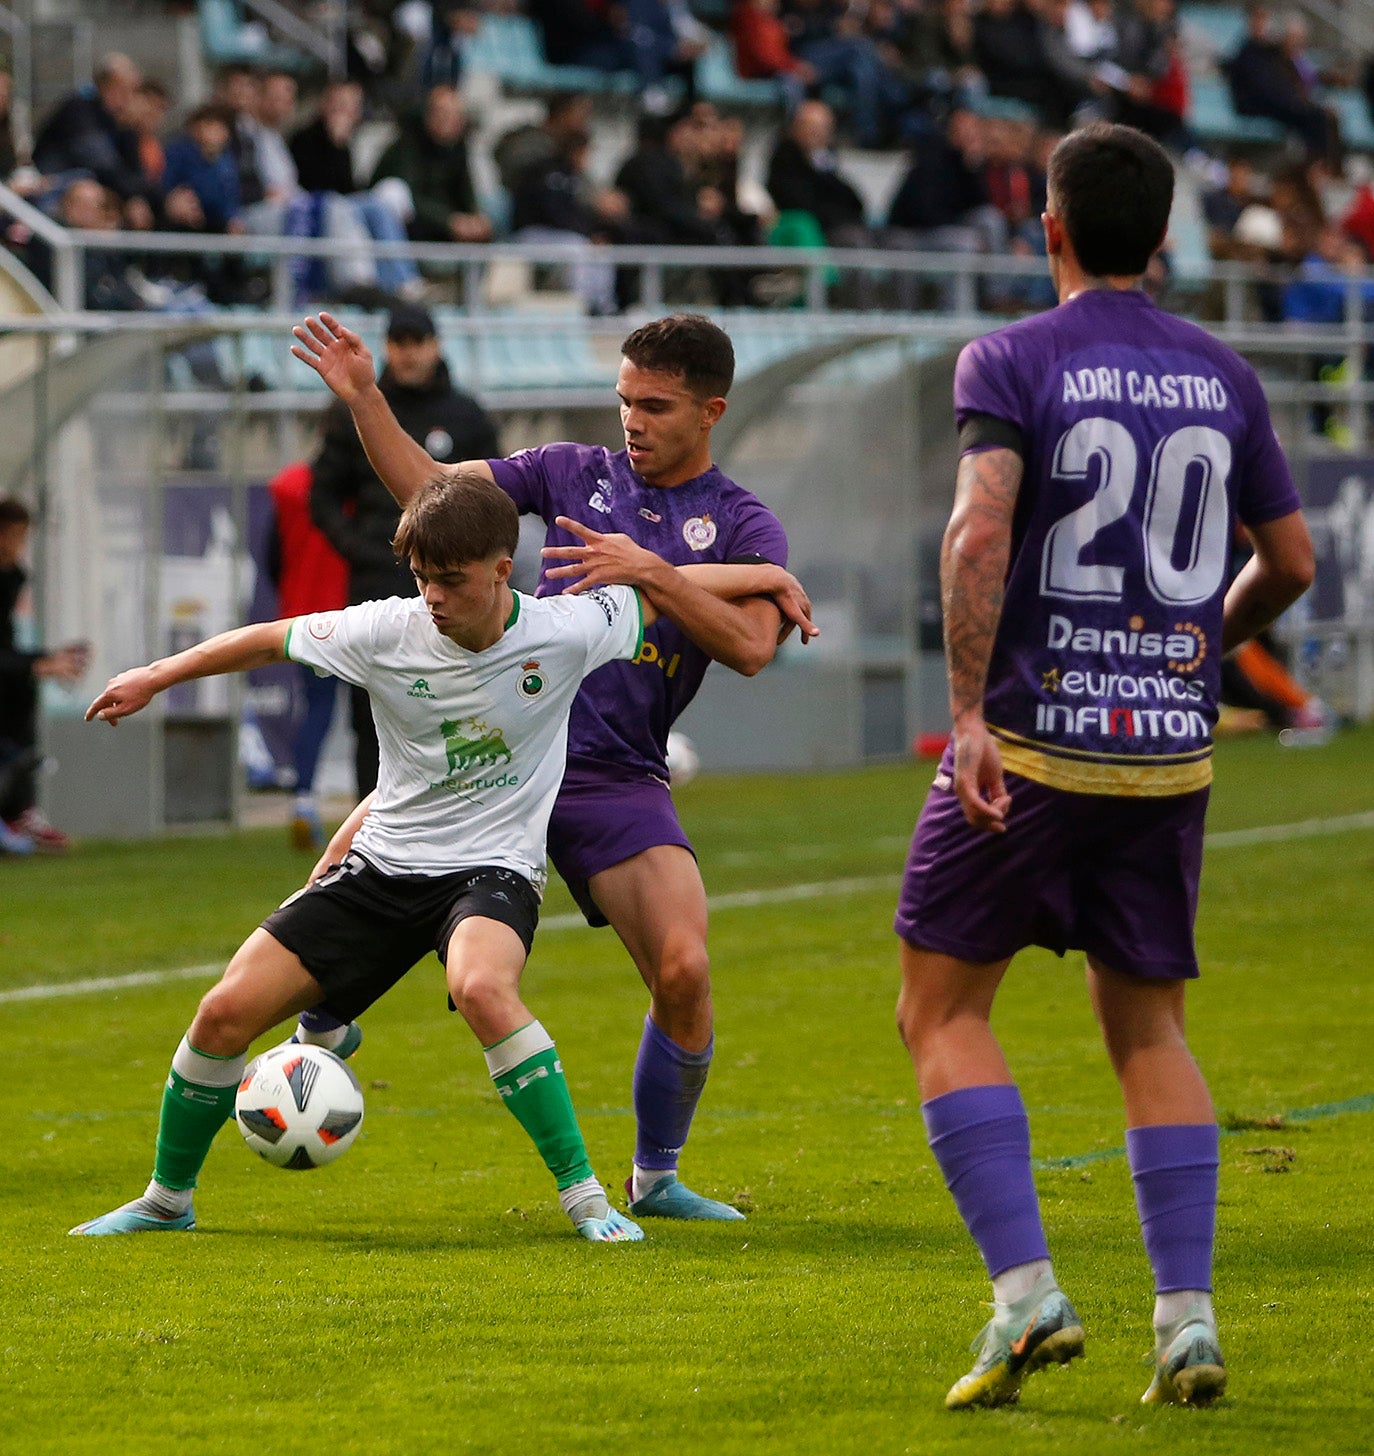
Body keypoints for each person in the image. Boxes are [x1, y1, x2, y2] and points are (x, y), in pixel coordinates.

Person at [892, 122, 1315, 1410]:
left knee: (943, 1010)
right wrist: (1194, 652)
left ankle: (1026, 1298)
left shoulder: (1014, 356)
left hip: (1027, 741)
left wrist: (965, 711)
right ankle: (1186, 1321)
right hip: (1167, 757)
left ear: (1050, 227)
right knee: (1150, 1030)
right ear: (1166, 238)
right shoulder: (1226, 376)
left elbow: (979, 532)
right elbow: (1293, 563)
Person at [70, 472, 756, 1241]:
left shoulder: (570, 627)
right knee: (222, 1012)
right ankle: (167, 1200)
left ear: (502, 570)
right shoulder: (385, 630)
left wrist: (769, 576)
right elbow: (269, 638)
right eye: (422, 577)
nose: (432, 595)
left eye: (451, 580)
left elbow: (672, 585)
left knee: (482, 987)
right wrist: (155, 677)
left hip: (492, 870)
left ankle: (587, 1199)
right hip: (382, 864)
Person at [290, 311, 816, 1223]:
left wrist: (648, 570)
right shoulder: (573, 471)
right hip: (498, 748)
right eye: (624, 400)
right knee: (330, 889)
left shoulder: (741, 521)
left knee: (685, 972)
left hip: (613, 777)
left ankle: (655, 1178)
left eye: (655, 405)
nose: (632, 420)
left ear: (711, 411)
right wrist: (368, 399)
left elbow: (751, 647)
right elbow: (432, 494)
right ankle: (312, 1037)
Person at [310, 303, 500, 796]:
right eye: (398, 343)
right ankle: (369, 823)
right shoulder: (352, 409)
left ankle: (461, 808)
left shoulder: (466, 414)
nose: (408, 354)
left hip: (453, 585)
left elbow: (496, 501)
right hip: (378, 577)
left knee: (458, 699)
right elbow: (322, 495)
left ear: (436, 346)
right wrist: (361, 550)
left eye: (417, 342)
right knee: (373, 704)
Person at [263, 459, 349, 850]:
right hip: (354, 611)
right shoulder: (360, 482)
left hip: (305, 616)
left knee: (316, 710)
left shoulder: (291, 485)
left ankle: (303, 800)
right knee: (379, 715)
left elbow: (272, 555)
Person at [0, 497, 88, 854]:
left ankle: (18, 815)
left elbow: (4, 643)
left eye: (22, 537)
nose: (17, 546)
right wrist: (38, 664)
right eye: (13, 536)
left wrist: (47, 658)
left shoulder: (12, 576)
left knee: (21, 690)